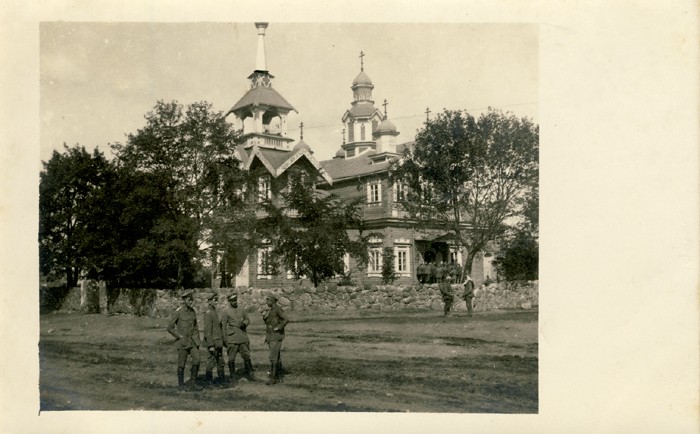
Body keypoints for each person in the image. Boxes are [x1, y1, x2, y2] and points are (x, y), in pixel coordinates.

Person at [166, 289, 202, 390]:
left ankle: (193, 383)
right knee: (181, 364)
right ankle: (181, 385)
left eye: (192, 300)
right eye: (189, 300)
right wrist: (178, 336)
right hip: (182, 343)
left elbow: (195, 328)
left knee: (197, 359)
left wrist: (197, 341)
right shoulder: (179, 312)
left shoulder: (192, 312)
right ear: (184, 300)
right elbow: (169, 327)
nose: (191, 302)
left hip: (192, 342)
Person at [220, 293, 258, 382]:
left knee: (246, 356)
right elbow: (223, 326)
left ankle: (250, 375)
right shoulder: (226, 312)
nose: (234, 302)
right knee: (231, 358)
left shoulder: (242, 310)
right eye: (232, 301)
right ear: (229, 302)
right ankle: (233, 377)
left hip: (242, 338)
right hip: (232, 339)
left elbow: (247, 319)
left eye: (235, 300)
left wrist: (244, 323)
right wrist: (225, 340)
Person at [262, 293, 289, 385]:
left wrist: (279, 327)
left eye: (268, 300)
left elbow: (286, 319)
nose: (267, 302)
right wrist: (264, 317)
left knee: (273, 357)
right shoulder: (271, 310)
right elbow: (269, 322)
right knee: (276, 356)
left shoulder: (277, 309)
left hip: (276, 335)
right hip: (271, 336)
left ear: (272, 301)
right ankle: (278, 375)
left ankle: (273, 378)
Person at [202, 292, 225, 387]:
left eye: (217, 300)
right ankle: (209, 382)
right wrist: (210, 345)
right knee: (210, 362)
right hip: (213, 343)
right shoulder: (208, 313)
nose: (216, 302)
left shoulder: (214, 312)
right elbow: (207, 331)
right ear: (210, 301)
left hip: (218, 342)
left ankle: (221, 381)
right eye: (214, 300)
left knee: (220, 362)